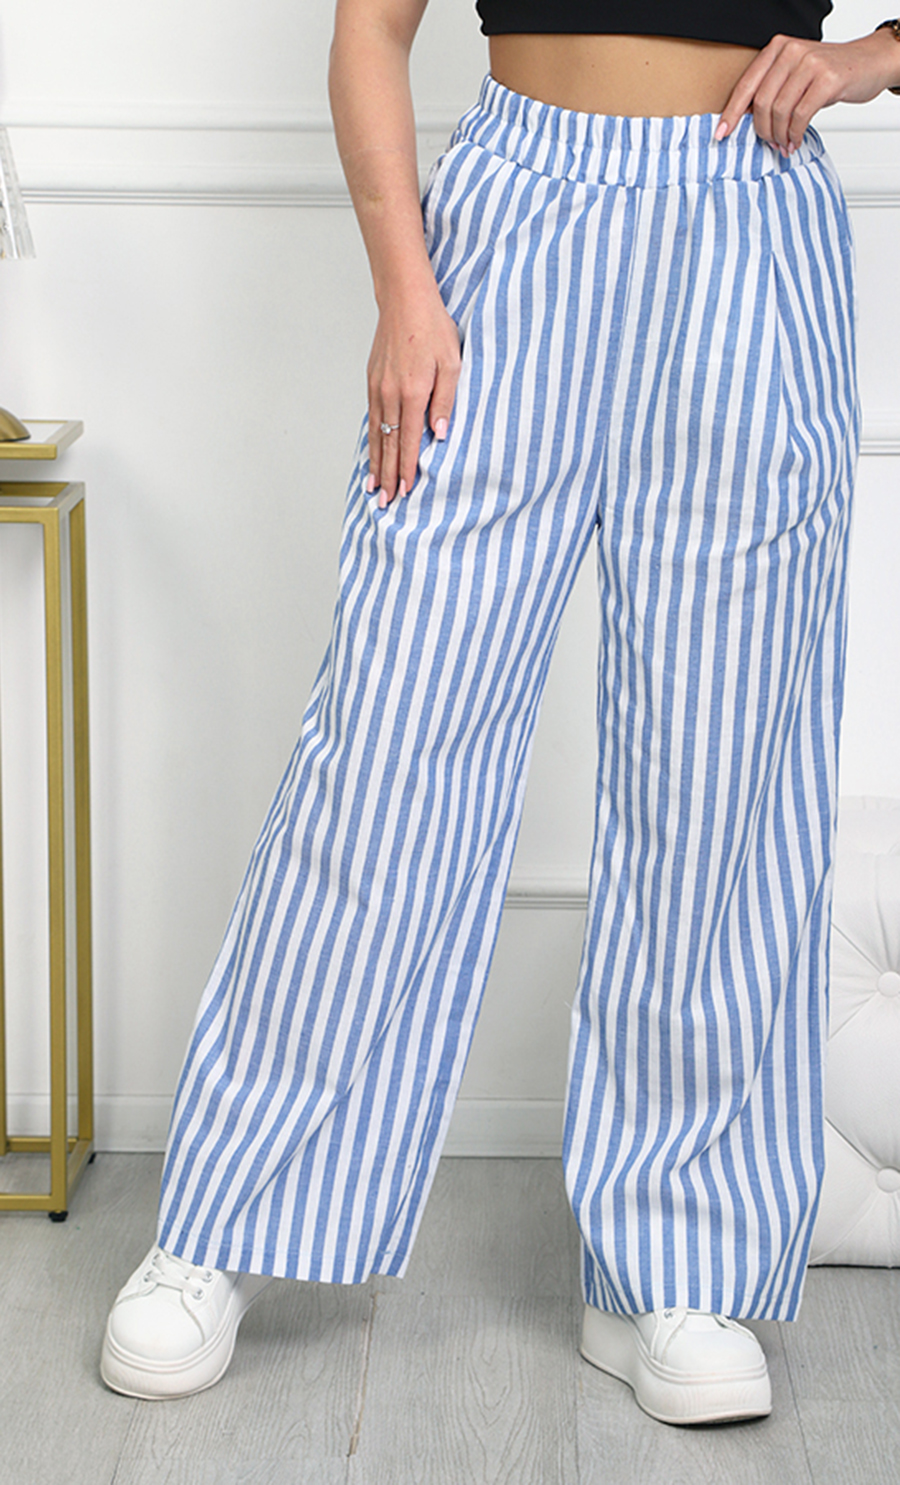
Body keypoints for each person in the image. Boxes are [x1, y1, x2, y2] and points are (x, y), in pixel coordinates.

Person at [99, 0, 900, 1425]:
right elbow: (370, 29)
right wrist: (406, 292)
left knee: (721, 777)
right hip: (515, 226)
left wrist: (868, 58)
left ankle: (674, 1267)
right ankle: (224, 1217)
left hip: (753, 233)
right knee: (388, 751)